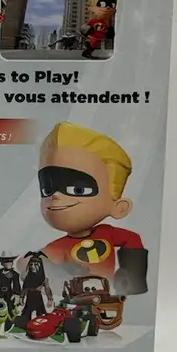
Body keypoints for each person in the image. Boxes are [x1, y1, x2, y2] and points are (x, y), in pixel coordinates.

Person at [38, 122, 147, 295]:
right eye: (47, 189)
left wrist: (132, 277)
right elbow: (33, 261)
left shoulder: (107, 233)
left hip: (105, 294)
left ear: (119, 208)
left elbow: (132, 239)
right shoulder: (59, 247)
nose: (56, 195)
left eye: (78, 189)